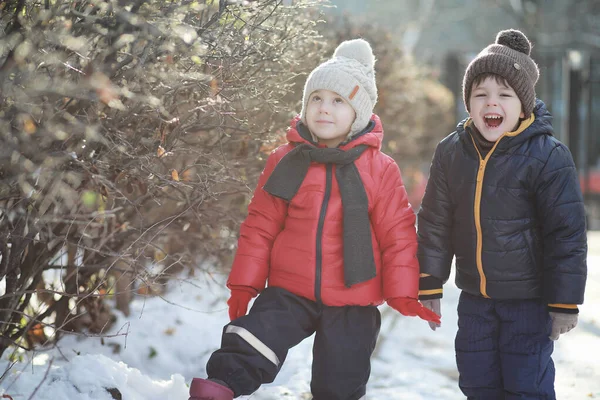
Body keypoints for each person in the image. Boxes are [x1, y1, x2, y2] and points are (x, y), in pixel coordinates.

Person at [188, 38, 440, 400]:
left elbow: (398, 237)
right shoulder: (286, 160)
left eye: (339, 101)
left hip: (355, 299)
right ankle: (219, 388)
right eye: (316, 99)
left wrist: (403, 293)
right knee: (252, 339)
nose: (324, 109)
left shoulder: (380, 169)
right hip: (290, 289)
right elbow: (261, 225)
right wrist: (244, 285)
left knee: (339, 383)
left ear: (360, 114)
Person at [417, 29, 587, 399]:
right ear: (469, 103)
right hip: (475, 299)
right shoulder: (452, 152)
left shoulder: (548, 156)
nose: (491, 102)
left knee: (526, 385)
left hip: (529, 302)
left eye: (504, 95)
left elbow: (566, 233)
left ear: (523, 105)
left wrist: (564, 301)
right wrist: (430, 279)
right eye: (481, 94)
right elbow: (435, 219)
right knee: (477, 381)